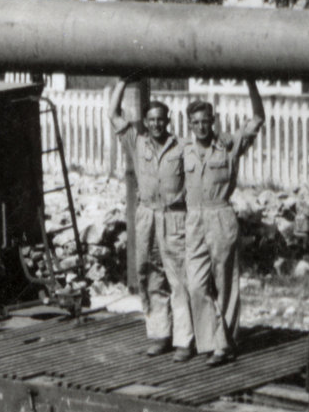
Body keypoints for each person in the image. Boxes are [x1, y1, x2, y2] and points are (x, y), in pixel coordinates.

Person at [179, 81, 265, 365]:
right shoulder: (183, 149)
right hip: (194, 220)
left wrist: (250, 83)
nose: (201, 127)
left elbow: (257, 120)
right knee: (196, 284)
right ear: (189, 124)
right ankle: (213, 340)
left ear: (213, 122)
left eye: (205, 122)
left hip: (221, 216)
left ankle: (223, 346)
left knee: (225, 283)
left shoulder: (228, 146)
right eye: (196, 123)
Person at [109, 85, 193, 359]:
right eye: (152, 119)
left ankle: (184, 340)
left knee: (178, 277)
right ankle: (160, 334)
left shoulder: (182, 146)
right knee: (148, 275)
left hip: (174, 216)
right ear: (145, 122)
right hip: (146, 216)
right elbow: (113, 113)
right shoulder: (137, 141)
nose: (157, 124)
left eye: (161, 119)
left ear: (168, 121)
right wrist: (123, 82)